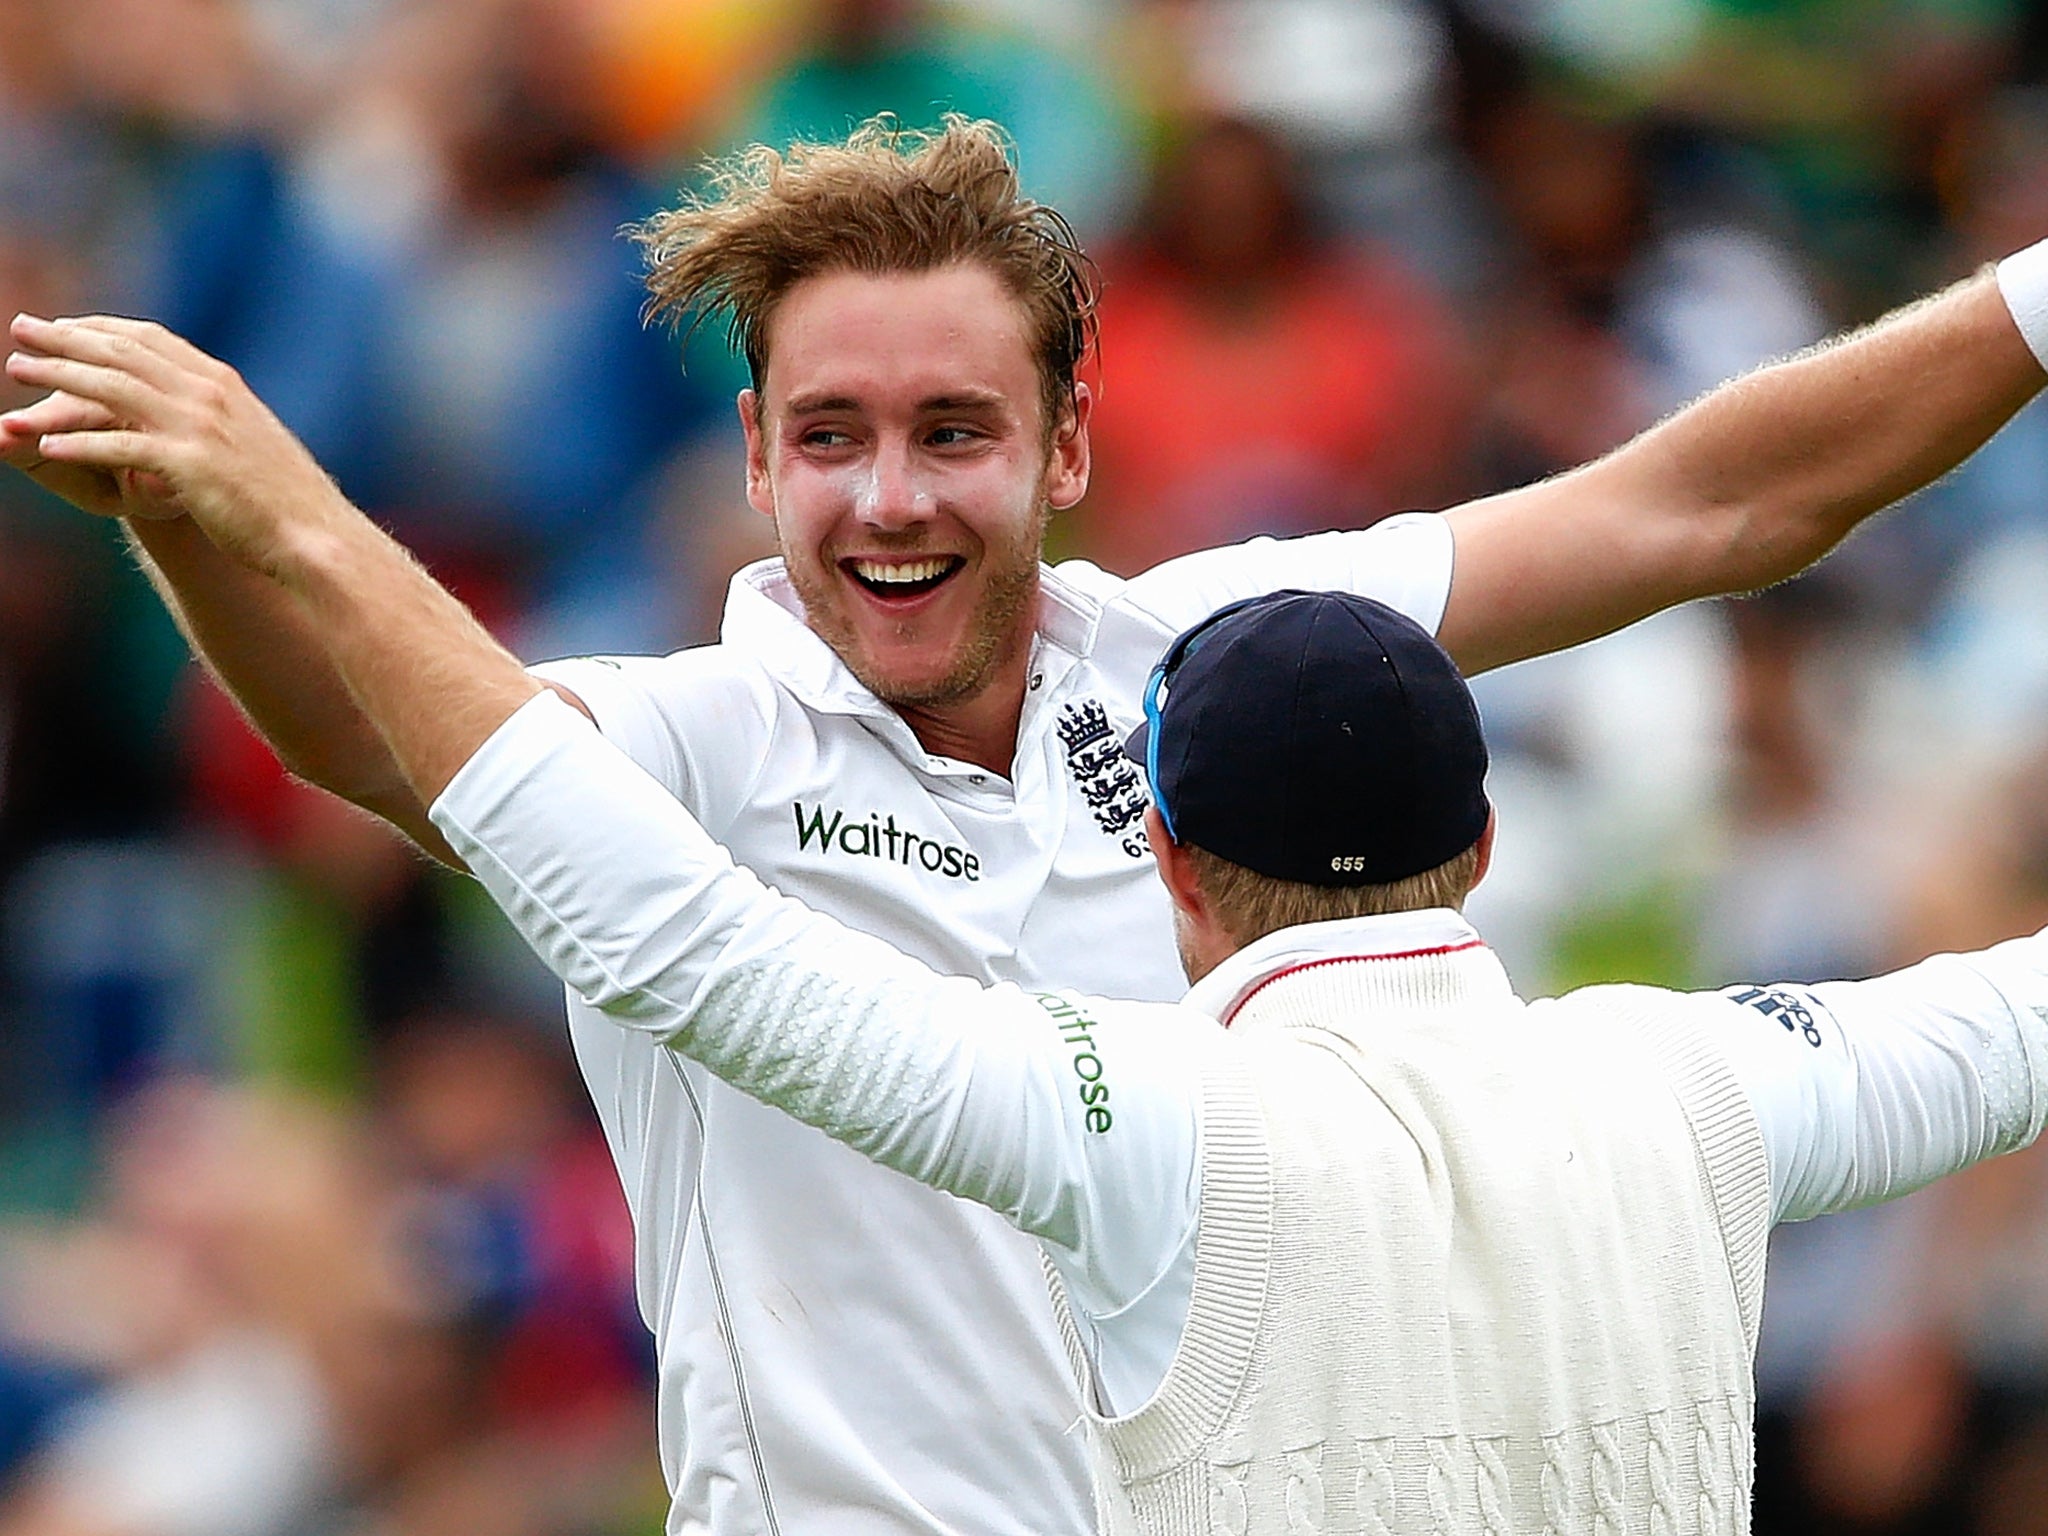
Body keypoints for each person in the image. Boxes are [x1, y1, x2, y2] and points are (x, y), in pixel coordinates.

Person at [6, 113, 2048, 1534]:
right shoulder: (693, 740)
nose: (889, 497)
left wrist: (2034, 300)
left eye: (953, 433)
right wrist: (198, 522)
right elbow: (382, 748)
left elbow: (1707, 507)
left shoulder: (1220, 663)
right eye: (830, 438)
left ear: (1068, 444)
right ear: (753, 456)